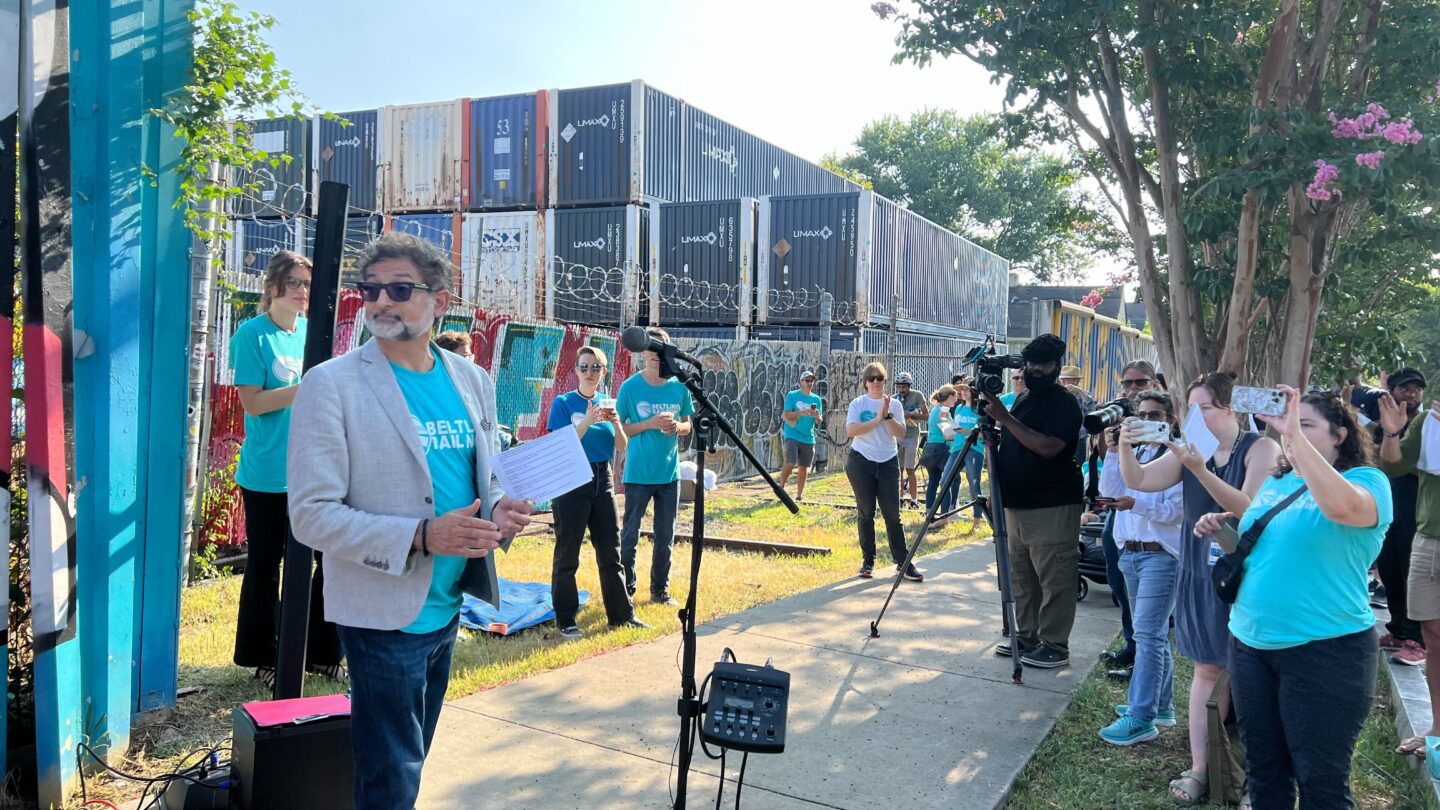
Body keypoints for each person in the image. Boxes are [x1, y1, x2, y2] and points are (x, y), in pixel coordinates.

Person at [288, 233, 534, 809]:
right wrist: (422, 536)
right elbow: (310, 516)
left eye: (399, 289)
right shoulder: (330, 385)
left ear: (440, 301)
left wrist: (500, 506)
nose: (380, 302)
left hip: (450, 601)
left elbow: (487, 474)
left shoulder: (472, 380)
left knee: (410, 756)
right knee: (391, 772)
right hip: (382, 612)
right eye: (370, 289)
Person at [1195, 389, 1390, 808]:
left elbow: (1340, 510)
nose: (1290, 433)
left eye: (1305, 424)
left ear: (1340, 435)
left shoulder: (1367, 482)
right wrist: (1224, 533)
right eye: (1289, 424)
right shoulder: (1279, 480)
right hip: (1251, 644)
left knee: (1320, 781)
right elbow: (1260, 553)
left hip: (1325, 651)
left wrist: (1293, 438)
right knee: (1264, 773)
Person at [1117, 372, 1280, 806]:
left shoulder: (1260, 447)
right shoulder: (1194, 449)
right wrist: (1124, 445)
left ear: (1230, 408)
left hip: (1246, 575)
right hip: (1197, 571)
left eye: (1203, 407)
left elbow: (1247, 507)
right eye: (1191, 408)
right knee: (1206, 670)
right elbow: (1139, 481)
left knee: (1251, 676)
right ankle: (1201, 767)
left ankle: (1253, 777)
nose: (1196, 416)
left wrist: (1198, 470)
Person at [229, 250, 343, 690]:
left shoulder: (311, 335)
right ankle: (263, 654)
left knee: (327, 559)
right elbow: (252, 402)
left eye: (307, 285)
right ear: (274, 285)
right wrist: (304, 388)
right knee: (266, 563)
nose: (302, 292)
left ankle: (321, 651)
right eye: (295, 282)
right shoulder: (253, 335)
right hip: (267, 474)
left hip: (312, 472)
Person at [985, 334, 1084, 669]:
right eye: (1031, 364)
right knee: (1022, 577)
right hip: (1017, 504)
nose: (1036, 370)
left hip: (1052, 505)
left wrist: (1005, 419)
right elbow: (1012, 438)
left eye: (1044, 364)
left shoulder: (1063, 403)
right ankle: (1026, 636)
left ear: (1056, 367)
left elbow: (1048, 447)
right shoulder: (1025, 399)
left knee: (1054, 577)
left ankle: (1055, 644)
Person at [1098, 390, 1183, 746]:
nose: (1148, 422)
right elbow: (1107, 489)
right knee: (1152, 633)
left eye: (1156, 415)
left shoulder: (1180, 457)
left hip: (1160, 554)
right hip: (1130, 552)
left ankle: (1141, 716)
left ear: (1171, 419)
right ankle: (1160, 706)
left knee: (1147, 634)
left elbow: (1176, 512)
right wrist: (1116, 451)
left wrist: (1137, 505)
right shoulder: (1140, 452)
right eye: (1141, 415)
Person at [546, 346, 647, 640]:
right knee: (568, 552)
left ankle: (622, 615)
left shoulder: (607, 403)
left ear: (603, 373)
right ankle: (566, 619)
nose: (589, 373)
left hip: (601, 478)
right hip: (570, 477)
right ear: (576, 371)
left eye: (596, 368)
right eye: (584, 367)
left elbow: (622, 446)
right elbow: (561, 444)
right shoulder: (564, 403)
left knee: (610, 550)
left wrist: (616, 422)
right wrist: (588, 420)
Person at [1379, 384, 1440, 758]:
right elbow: (1394, 464)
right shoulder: (1430, 422)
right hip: (1428, 539)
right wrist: (1392, 432)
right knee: (1432, 637)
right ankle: (1437, 729)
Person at [618, 326, 694, 606]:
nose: (654, 354)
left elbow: (689, 425)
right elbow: (621, 429)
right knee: (630, 535)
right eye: (650, 348)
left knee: (665, 536)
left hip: (669, 474)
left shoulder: (679, 386)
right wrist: (648, 424)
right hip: (638, 473)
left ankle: (660, 590)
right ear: (642, 352)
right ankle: (626, 588)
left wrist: (678, 427)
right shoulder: (630, 387)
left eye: (660, 349)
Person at [1099, 359, 1164, 677]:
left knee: (1150, 596)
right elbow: (1110, 484)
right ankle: (1132, 644)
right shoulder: (1119, 415)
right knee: (1119, 580)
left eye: (1140, 382)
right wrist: (1113, 448)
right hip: (1121, 512)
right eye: (1127, 383)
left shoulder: (1164, 419)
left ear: (1155, 382)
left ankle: (1143, 652)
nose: (1133, 389)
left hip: (1153, 520)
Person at [846, 362, 923, 582]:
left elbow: (901, 433)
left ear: (885, 381)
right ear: (865, 382)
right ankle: (868, 561)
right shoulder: (858, 403)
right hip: (861, 461)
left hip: (887, 461)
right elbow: (852, 430)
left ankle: (903, 563)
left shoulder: (895, 405)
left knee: (892, 515)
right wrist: (877, 419)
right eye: (871, 378)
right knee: (866, 512)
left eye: (880, 378)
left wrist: (887, 416)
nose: (876, 382)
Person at [1372, 368, 1427, 666]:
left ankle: (1416, 639)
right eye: (1406, 388)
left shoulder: (1427, 425)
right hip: (1385, 508)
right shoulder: (1380, 425)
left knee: (1412, 573)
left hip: (1415, 509)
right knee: (1389, 568)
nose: (1412, 394)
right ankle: (1396, 628)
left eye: (1417, 389)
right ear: (1391, 390)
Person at [940, 381, 985, 521]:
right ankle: (944, 516)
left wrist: (965, 431)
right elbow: (951, 427)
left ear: (973, 391)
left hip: (974, 448)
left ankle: (977, 518)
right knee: (944, 481)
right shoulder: (958, 408)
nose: (963, 393)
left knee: (973, 484)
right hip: (957, 448)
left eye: (966, 390)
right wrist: (947, 430)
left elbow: (982, 433)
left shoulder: (980, 409)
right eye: (961, 390)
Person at [778, 370, 823, 501]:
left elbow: (819, 421)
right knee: (791, 462)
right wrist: (802, 412)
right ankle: (780, 487)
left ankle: (799, 496)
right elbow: (787, 415)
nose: (810, 383)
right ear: (801, 382)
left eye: (811, 381)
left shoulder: (816, 399)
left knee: (804, 467)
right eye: (807, 380)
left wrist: (816, 416)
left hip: (808, 437)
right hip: (792, 434)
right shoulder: (792, 395)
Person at [921, 385, 958, 515]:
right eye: (955, 396)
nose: (956, 399)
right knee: (948, 481)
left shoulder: (936, 410)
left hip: (931, 448)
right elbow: (947, 433)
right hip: (941, 449)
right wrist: (964, 433)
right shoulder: (943, 412)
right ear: (950, 397)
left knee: (933, 481)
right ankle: (946, 513)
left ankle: (929, 511)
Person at [894, 372, 929, 509]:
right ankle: (900, 497)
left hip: (912, 435)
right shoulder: (894, 398)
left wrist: (913, 415)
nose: (901, 390)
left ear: (909, 386)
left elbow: (926, 415)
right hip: (898, 435)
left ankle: (914, 499)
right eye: (899, 387)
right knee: (899, 469)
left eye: (903, 387)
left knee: (910, 469)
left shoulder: (917, 395)